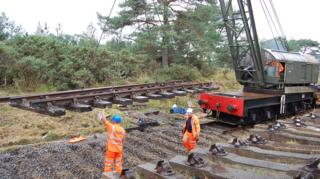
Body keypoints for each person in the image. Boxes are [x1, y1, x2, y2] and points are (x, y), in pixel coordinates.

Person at [99, 112, 126, 177]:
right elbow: (123, 141)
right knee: (118, 163)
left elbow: (104, 120)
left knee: (108, 163)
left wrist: (103, 112)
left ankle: (107, 176)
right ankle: (119, 176)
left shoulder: (111, 127)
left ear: (113, 120)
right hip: (119, 149)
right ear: (120, 121)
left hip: (111, 149)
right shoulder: (123, 130)